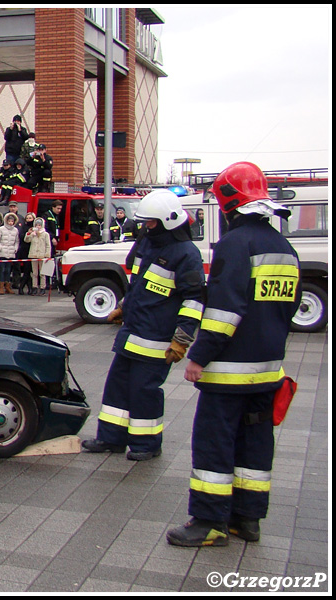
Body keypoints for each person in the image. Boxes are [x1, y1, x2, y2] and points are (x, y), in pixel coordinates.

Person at [167, 162, 300, 548]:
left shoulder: (234, 246)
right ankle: (247, 519)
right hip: (268, 372)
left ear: (229, 205)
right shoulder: (284, 248)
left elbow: (225, 313)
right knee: (255, 445)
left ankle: (209, 521)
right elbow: (286, 311)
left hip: (228, 375)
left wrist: (199, 357)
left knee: (215, 442)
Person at [82, 189, 204, 462]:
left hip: (157, 338)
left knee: (144, 392)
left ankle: (147, 444)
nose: (146, 226)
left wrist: (182, 339)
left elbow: (194, 301)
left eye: (151, 222)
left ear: (168, 221)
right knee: (117, 386)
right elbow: (140, 284)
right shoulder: (147, 243)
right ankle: (110, 438)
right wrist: (123, 306)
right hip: (133, 331)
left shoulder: (186, 254)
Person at [0, 212, 20, 295]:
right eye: (9, 221)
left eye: (12, 221)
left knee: (9, 270)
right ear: (6, 221)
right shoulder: (1, 229)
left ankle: (7, 287)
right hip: (3, 252)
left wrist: (15, 249)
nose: (10, 223)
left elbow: (17, 241)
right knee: (2, 270)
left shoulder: (16, 230)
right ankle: (1, 287)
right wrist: (0, 248)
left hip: (11, 253)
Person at [25, 218, 51, 295]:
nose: (38, 226)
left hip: (42, 255)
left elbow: (48, 245)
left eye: (39, 225)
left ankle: (43, 287)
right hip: (33, 255)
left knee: (42, 273)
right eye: (37, 225)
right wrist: (29, 234)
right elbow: (26, 240)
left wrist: (47, 255)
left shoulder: (45, 234)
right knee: (34, 273)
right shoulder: (33, 233)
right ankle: (34, 287)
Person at [16, 212, 36, 295]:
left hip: (33, 250)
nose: (28, 220)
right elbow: (21, 237)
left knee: (29, 271)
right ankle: (23, 288)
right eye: (27, 218)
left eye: (30, 218)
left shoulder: (36, 228)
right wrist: (28, 232)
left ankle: (28, 288)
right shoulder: (24, 227)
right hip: (25, 251)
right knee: (27, 270)